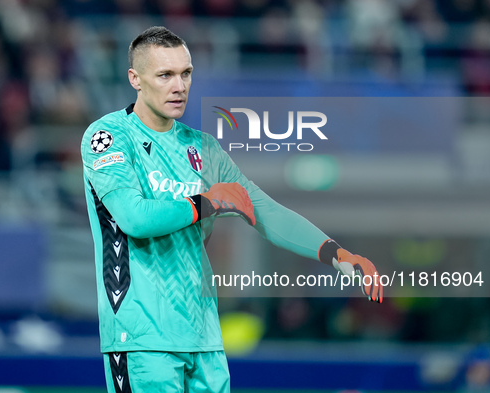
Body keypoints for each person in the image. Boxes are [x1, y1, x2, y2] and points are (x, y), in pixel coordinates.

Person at [81, 26, 383, 393]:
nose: (179, 86)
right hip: (143, 336)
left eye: (186, 73)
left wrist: (336, 253)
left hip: (203, 337)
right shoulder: (109, 136)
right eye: (165, 75)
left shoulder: (203, 148)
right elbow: (134, 218)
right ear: (135, 78)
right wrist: (205, 203)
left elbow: (263, 210)